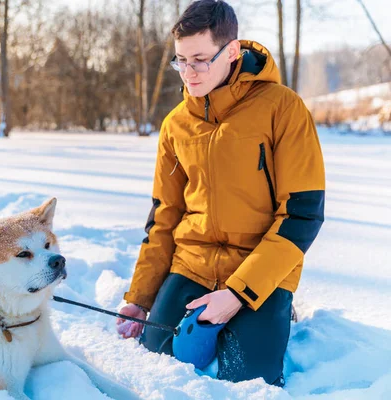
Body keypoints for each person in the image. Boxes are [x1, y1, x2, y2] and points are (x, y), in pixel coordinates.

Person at [116, 0, 325, 387]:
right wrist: (140, 299)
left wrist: (238, 293)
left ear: (231, 52)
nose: (189, 73)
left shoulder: (283, 108)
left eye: (199, 59)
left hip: (258, 268)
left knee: (248, 382)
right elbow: (165, 214)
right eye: (180, 60)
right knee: (156, 363)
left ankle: (277, 311)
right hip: (192, 264)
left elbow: (303, 215)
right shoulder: (176, 124)